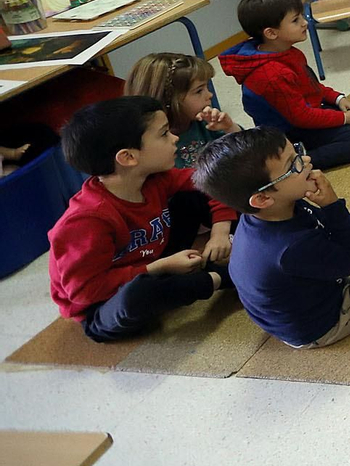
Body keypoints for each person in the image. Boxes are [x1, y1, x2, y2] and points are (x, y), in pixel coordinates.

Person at [48, 97, 235, 342]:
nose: (175, 138)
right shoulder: (86, 221)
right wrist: (160, 267)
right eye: (164, 134)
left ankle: (243, 248)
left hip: (152, 258)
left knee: (196, 196)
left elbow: (210, 182)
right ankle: (221, 277)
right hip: (101, 304)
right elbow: (85, 292)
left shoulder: (155, 177)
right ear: (127, 157)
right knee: (139, 295)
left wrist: (220, 232)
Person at [193, 128, 350, 349]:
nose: (306, 160)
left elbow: (324, 225)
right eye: (293, 165)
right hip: (327, 322)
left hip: (309, 289)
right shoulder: (291, 248)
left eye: (297, 152)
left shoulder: (275, 208)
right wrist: (332, 206)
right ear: (263, 198)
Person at [219, 0, 350, 169]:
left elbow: (312, 87)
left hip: (306, 111)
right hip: (289, 131)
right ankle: (296, 162)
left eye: (301, 16)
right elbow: (301, 118)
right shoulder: (271, 74)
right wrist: (344, 118)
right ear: (271, 33)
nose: (304, 22)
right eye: (296, 20)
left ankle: (334, 133)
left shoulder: (287, 51)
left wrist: (339, 99)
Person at [125, 52, 240, 169]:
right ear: (168, 100)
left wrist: (229, 128)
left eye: (207, 87)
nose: (210, 95)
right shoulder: (153, 144)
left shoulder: (207, 122)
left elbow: (246, 151)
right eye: (199, 91)